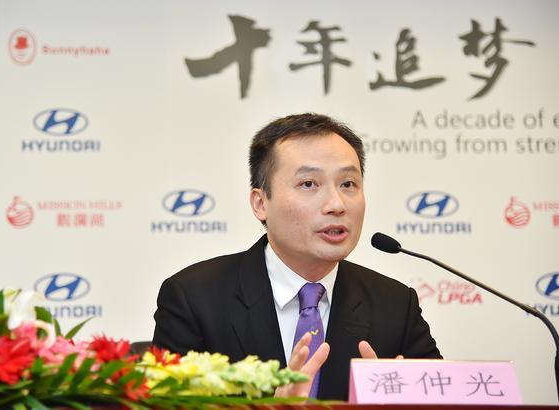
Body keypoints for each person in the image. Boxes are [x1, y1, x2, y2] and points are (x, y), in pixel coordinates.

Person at [153, 113, 441, 400]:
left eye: (348, 184)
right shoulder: (194, 298)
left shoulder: (395, 305)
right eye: (309, 184)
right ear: (260, 203)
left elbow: (446, 399)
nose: (336, 204)